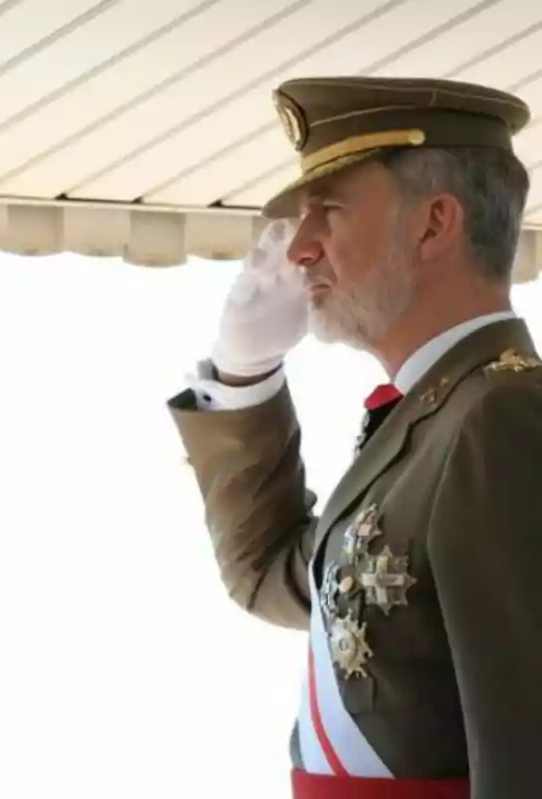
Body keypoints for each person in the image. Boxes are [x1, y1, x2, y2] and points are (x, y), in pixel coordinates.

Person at [169, 76, 542, 798]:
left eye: (329, 213)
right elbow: (272, 573)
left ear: (434, 224)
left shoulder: (503, 417)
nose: (300, 249)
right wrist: (244, 375)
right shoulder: (438, 416)